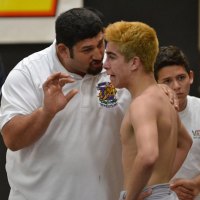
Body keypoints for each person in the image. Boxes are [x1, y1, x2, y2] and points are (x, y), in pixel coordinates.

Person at [0, 8, 177, 200]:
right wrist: (46, 112)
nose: (98, 55)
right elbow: (13, 140)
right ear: (63, 50)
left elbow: (171, 138)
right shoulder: (29, 73)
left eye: (100, 44)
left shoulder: (116, 68)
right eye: (87, 50)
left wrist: (156, 89)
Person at [103, 21, 192, 200]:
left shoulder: (142, 104)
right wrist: (159, 184)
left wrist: (131, 197)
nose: (105, 65)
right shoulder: (163, 98)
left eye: (112, 57)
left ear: (134, 62)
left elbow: (148, 155)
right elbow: (185, 142)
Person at [154, 45, 200, 200]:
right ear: (156, 84)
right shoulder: (145, 115)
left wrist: (197, 184)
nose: (176, 86)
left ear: (191, 76)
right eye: (167, 81)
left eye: (181, 78)